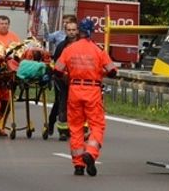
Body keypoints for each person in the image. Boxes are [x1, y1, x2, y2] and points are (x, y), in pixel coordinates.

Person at [54, 18, 117, 176]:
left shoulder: (69, 49)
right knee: (97, 125)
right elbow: (113, 71)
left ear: (79, 31)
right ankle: (90, 152)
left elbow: (57, 71)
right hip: (93, 91)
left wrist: (71, 77)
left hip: (74, 89)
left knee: (76, 127)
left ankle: (78, 165)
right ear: (91, 32)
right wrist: (99, 73)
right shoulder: (98, 50)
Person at [48, 20, 79, 141]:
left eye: (73, 30)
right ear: (65, 31)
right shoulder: (61, 46)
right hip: (63, 80)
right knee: (61, 102)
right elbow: (56, 64)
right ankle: (59, 128)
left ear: (77, 31)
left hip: (77, 80)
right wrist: (62, 77)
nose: (71, 32)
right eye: (69, 30)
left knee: (77, 106)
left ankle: (76, 129)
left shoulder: (82, 44)